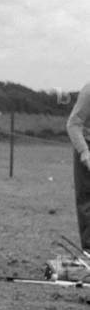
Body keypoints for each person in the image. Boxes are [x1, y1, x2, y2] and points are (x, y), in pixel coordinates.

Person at [66, 84, 90, 249]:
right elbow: (73, 124)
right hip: (87, 147)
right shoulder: (89, 91)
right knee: (87, 202)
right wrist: (84, 151)